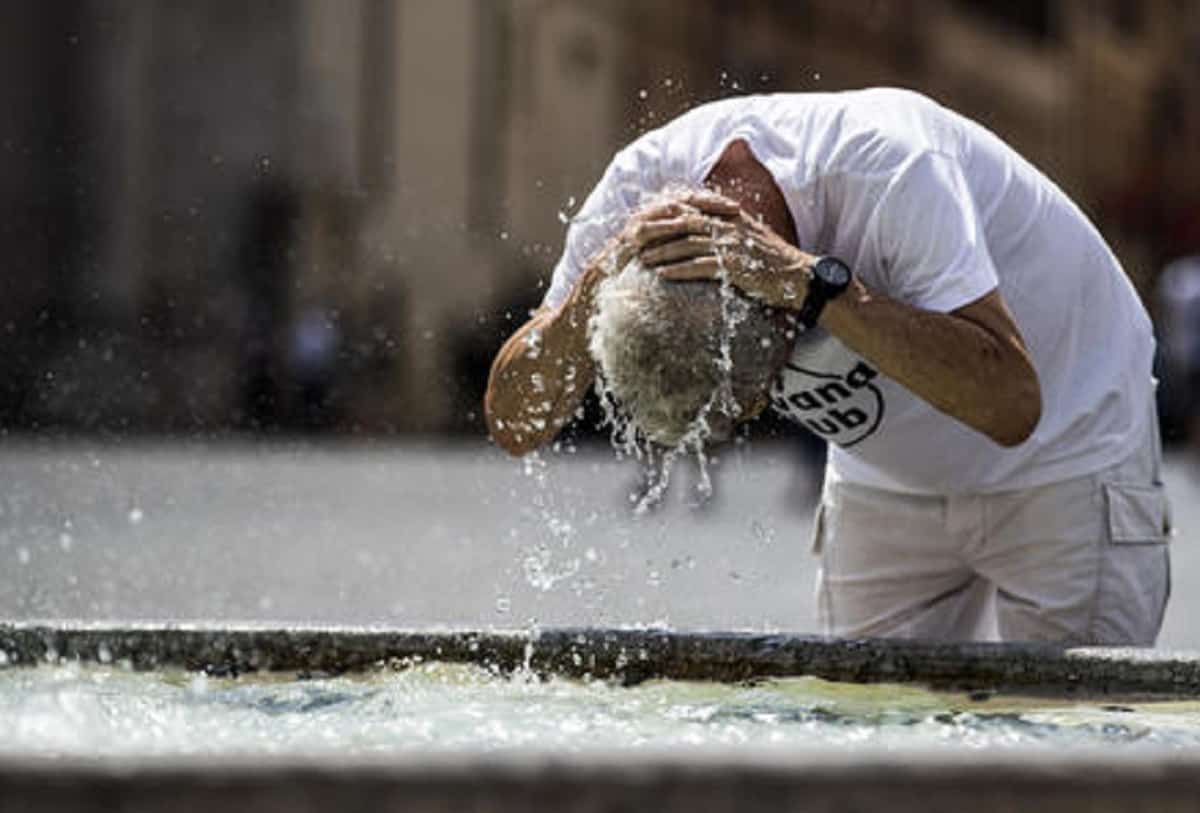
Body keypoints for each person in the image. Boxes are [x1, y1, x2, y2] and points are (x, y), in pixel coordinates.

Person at [484, 88, 1171, 645]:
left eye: (755, 397)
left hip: (1067, 441)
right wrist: (588, 291)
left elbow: (1013, 405)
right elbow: (516, 425)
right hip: (885, 473)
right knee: (866, 733)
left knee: (1078, 731)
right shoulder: (634, 196)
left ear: (786, 324)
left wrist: (812, 284)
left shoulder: (891, 166)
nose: (759, 414)